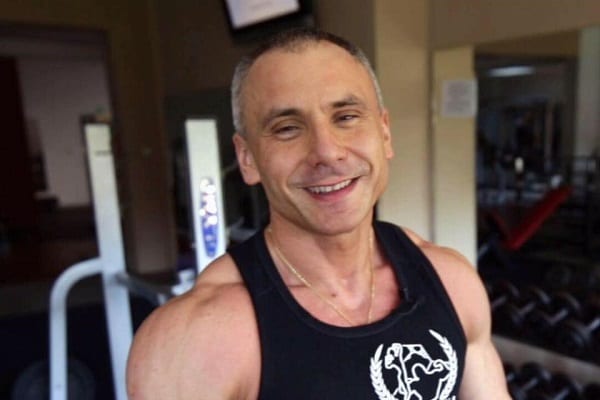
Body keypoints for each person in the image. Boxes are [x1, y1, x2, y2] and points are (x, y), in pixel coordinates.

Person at [127, 28, 511, 399]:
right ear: (247, 159)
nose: (327, 152)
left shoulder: (451, 281)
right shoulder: (197, 339)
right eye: (287, 128)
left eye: (346, 117)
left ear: (385, 133)